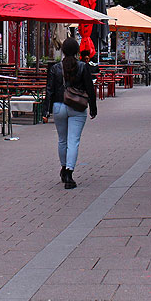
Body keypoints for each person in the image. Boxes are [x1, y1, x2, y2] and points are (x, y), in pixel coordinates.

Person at [45, 37, 97, 190]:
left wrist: (46, 110)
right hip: (77, 107)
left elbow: (49, 90)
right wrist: (93, 107)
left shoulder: (55, 68)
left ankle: (63, 167)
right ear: (77, 51)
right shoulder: (83, 67)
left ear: (63, 50)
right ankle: (69, 173)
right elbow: (90, 89)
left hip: (59, 106)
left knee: (62, 140)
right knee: (73, 141)